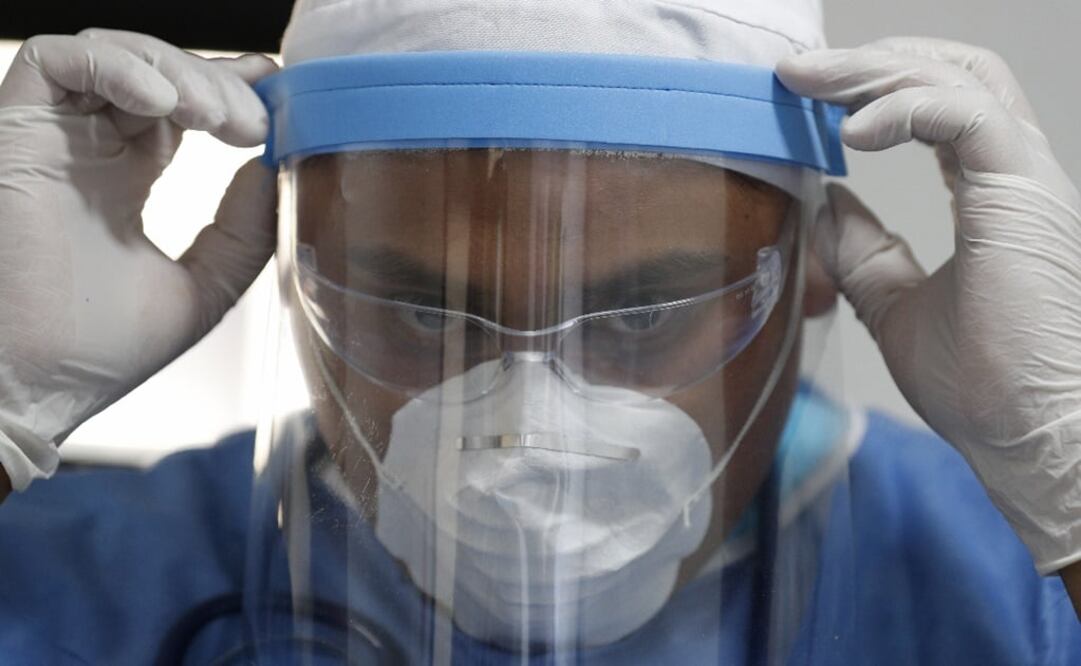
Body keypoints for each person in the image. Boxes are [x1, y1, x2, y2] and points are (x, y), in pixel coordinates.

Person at [0, 1, 1078, 663]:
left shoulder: (1003, 589)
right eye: (423, 313)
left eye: (641, 316)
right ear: (293, 270)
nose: (524, 432)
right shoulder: (93, 579)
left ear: (811, 271)